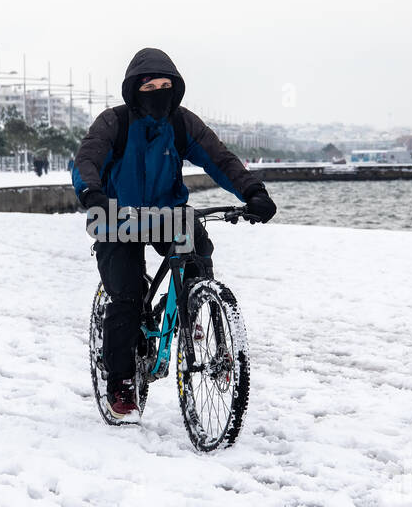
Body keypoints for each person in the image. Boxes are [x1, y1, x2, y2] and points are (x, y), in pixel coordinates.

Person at [72, 47, 277, 422]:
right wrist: (91, 191)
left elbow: (221, 159)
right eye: (151, 84)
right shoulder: (114, 123)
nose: (159, 91)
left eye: (166, 84)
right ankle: (121, 381)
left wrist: (252, 191)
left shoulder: (182, 124)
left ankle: (195, 312)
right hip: (117, 216)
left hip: (168, 215)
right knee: (127, 296)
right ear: (135, 88)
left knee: (197, 251)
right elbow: (87, 158)